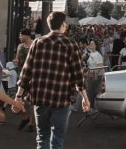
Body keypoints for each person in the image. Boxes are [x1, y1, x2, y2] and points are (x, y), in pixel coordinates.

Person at [14, 11, 89, 149]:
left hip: (40, 97)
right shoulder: (71, 45)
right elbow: (78, 75)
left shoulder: (37, 42)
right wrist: (85, 97)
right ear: (62, 24)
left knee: (42, 138)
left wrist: (18, 96)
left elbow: (26, 72)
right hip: (61, 98)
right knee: (57, 140)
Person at [14, 28, 35, 132]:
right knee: (19, 98)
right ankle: (24, 117)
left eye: (21, 35)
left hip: (32, 75)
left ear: (26, 36)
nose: (19, 37)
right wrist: (16, 61)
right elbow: (17, 57)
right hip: (21, 74)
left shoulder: (34, 44)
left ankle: (31, 122)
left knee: (31, 100)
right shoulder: (20, 46)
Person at [84, 40, 105, 114]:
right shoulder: (91, 54)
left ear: (96, 45)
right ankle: (92, 106)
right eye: (90, 43)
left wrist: (96, 74)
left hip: (96, 75)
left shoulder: (97, 54)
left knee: (92, 91)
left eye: (92, 43)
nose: (90, 44)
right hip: (90, 74)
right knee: (89, 91)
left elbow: (100, 66)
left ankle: (93, 107)